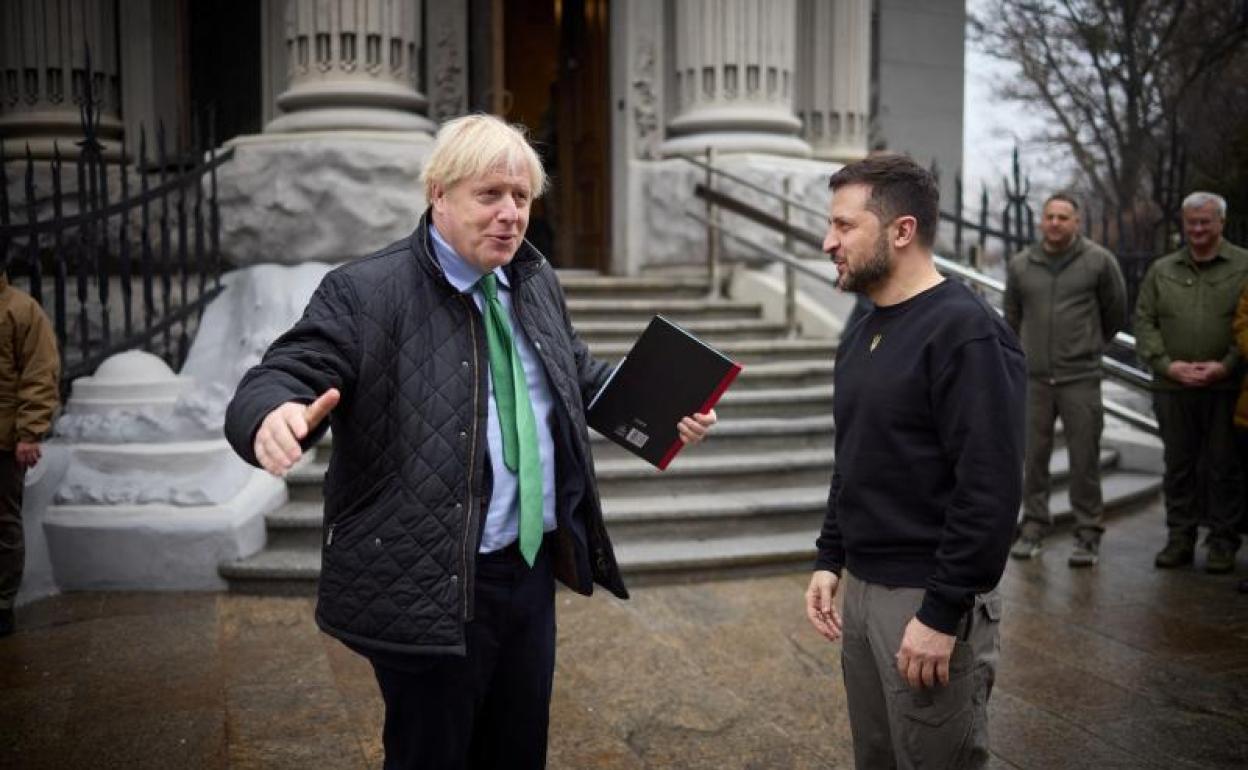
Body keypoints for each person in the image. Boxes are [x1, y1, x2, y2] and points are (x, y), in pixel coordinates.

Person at [224, 114, 716, 769]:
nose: (510, 214)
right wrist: (269, 414)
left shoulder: (533, 282)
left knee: (516, 751)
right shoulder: (366, 290)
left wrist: (663, 410)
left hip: (530, 571)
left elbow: (574, 373)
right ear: (439, 192)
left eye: (521, 197)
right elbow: (287, 369)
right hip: (431, 582)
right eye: (490, 195)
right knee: (432, 754)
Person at [804, 154, 1026, 769]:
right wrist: (831, 555)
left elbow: (990, 490)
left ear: (902, 231)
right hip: (866, 593)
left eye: (845, 227)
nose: (828, 242)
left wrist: (940, 611)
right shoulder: (862, 329)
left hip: (928, 600)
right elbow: (854, 455)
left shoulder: (967, 332)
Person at [1004, 193, 1127, 567]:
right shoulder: (1022, 264)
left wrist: (1087, 348)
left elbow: (1115, 312)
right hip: (1035, 380)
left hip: (1080, 378)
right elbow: (1011, 319)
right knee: (1033, 459)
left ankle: (1088, 534)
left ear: (1077, 222)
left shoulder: (1099, 262)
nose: (1055, 222)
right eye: (1050, 216)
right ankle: (1034, 528)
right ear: (1042, 221)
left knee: (1084, 460)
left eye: (1063, 217)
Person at [1136, 191, 1248, 574]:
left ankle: (1222, 542)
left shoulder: (1243, 266)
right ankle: (1179, 537)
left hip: (1225, 387)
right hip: (1173, 387)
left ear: (1221, 223)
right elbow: (1144, 320)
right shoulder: (1162, 269)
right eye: (1191, 223)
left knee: (1224, 467)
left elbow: (1245, 325)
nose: (1198, 229)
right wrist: (1168, 365)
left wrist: (1227, 364)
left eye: (1205, 222)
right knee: (1178, 466)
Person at [0, 274, 60, 638]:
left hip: (5, 439)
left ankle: (2, 603)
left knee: (4, 523)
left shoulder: (20, 309)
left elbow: (40, 372)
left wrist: (29, 431)